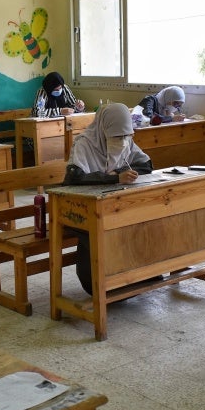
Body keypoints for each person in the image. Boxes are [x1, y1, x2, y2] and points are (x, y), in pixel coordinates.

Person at [63, 103, 153, 293]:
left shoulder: (127, 140)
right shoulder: (85, 144)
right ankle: (97, 283)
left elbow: (146, 165)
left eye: (126, 136)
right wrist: (113, 178)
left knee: (143, 219)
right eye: (117, 137)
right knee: (102, 232)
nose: (122, 142)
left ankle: (138, 274)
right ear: (104, 129)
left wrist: (121, 172)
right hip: (83, 209)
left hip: (115, 205)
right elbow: (73, 179)